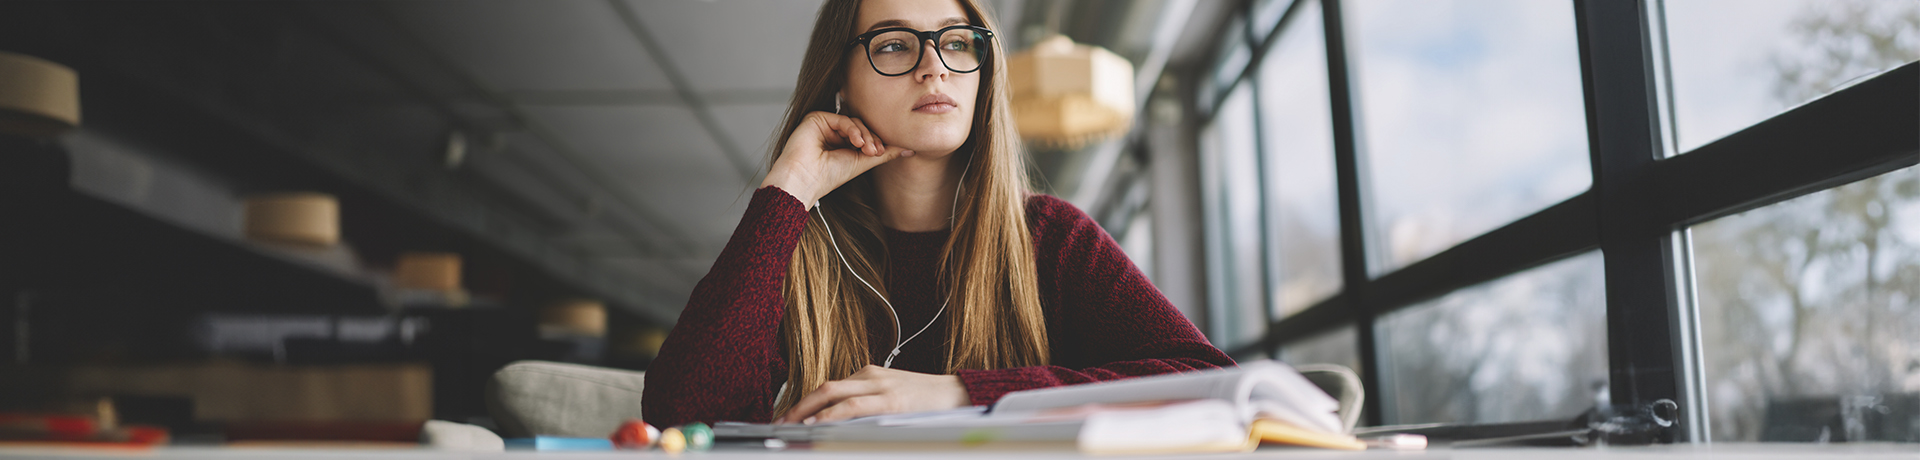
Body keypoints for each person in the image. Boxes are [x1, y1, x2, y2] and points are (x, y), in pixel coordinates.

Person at [640, 0, 1231, 428]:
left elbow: (1204, 380)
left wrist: (958, 393)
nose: (935, 66)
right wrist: (789, 191)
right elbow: (687, 416)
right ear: (840, 81)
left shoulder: (1050, 237)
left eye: (956, 41)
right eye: (895, 44)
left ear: (984, 73)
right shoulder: (804, 246)